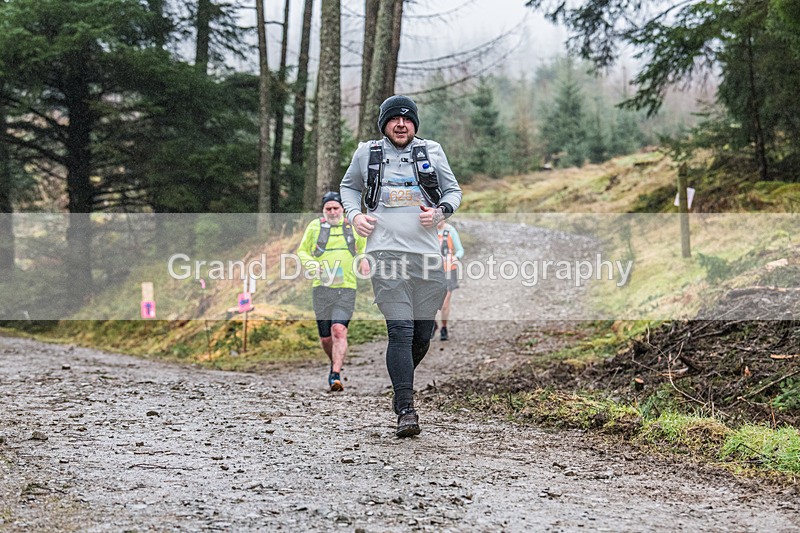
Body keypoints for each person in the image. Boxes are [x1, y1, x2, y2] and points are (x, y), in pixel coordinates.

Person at [340, 94, 462, 437]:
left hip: (427, 258)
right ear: (384, 124)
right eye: (394, 120)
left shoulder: (432, 151)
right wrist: (354, 216)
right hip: (384, 254)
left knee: (422, 333)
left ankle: (400, 384)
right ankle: (406, 408)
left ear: (414, 124)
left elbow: (453, 191)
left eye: (407, 120)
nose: (401, 124)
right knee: (401, 329)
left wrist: (439, 213)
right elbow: (349, 188)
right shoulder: (368, 153)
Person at [297, 191, 369, 392]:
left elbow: (363, 247)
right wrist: (312, 265)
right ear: (323, 210)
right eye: (328, 208)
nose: (332, 211)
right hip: (321, 288)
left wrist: (363, 260)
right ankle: (335, 363)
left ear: (342, 209)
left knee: (339, 330)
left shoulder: (351, 227)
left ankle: (335, 374)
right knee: (326, 338)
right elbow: (302, 251)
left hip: (346, 287)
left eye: (335, 208)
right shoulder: (315, 227)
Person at [436, 218, 464, 341]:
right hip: (430, 271)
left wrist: (456, 257)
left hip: (448, 270)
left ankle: (444, 327)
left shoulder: (450, 230)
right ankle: (432, 325)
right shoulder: (427, 230)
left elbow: (460, 250)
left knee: (445, 302)